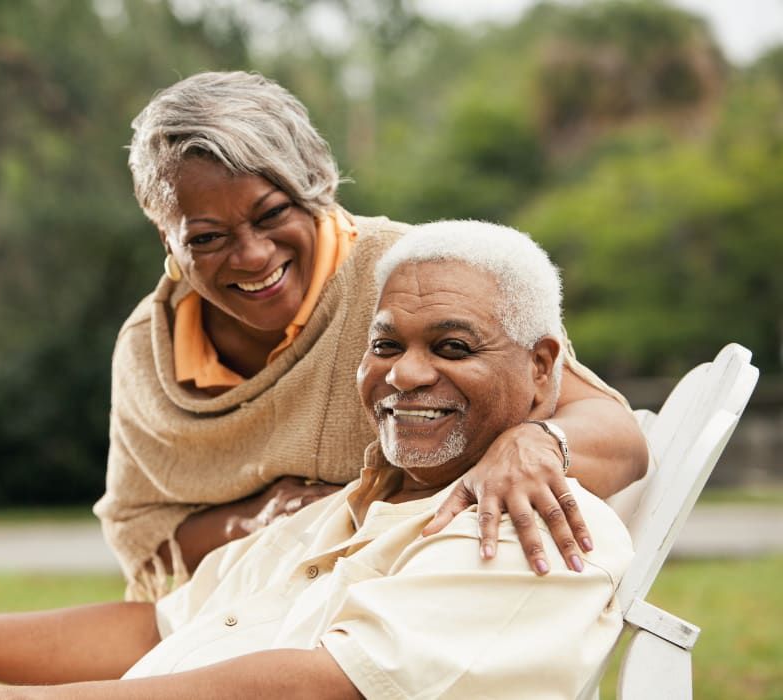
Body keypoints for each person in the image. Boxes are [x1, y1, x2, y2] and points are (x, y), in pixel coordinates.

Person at [0, 220, 633, 699]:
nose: (406, 374)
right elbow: (153, 627)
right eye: (385, 343)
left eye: (452, 344)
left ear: (543, 370)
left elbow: (317, 689)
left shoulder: (531, 524)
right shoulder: (341, 510)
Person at [94, 70, 647, 599]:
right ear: (167, 239)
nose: (253, 255)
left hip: (406, 599)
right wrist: (267, 520)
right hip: (237, 615)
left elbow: (616, 435)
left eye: (272, 214)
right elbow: (141, 530)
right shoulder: (149, 346)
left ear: (315, 190)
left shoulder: (414, 278)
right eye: (208, 238)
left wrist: (535, 441)